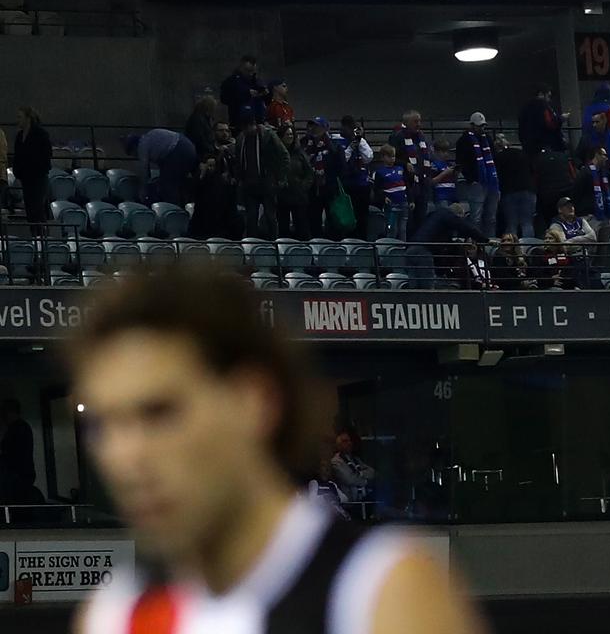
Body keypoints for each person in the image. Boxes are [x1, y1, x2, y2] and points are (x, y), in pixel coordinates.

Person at [71, 269, 480, 634]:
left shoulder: (379, 590)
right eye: (102, 425)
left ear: (253, 400)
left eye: (159, 412)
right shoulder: (116, 613)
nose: (125, 456)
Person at [407, 203, 488, 289]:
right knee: (427, 288)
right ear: (457, 216)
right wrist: (485, 240)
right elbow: (466, 227)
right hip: (423, 252)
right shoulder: (447, 216)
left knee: (414, 287)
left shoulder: (433, 217)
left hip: (410, 249)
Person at [235, 120, 286, 240]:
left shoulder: (267, 135)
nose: (247, 129)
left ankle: (274, 243)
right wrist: (239, 179)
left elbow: (284, 155)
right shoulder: (241, 139)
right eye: (244, 127)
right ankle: (252, 246)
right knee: (251, 218)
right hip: (249, 184)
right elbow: (238, 161)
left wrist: (281, 178)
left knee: (270, 216)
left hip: (267, 182)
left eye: (249, 125)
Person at [455, 112, 500, 239]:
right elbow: (461, 161)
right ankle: (477, 241)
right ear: (472, 125)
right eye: (479, 126)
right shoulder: (464, 141)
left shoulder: (488, 140)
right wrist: (471, 179)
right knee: (476, 216)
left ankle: (490, 241)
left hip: (491, 182)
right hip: (476, 182)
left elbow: (494, 159)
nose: (482, 129)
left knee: (491, 217)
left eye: (483, 126)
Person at [300, 117, 344, 238]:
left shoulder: (333, 144)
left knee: (333, 220)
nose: (313, 129)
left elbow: (341, 166)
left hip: (329, 187)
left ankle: (334, 246)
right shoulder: (305, 144)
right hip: (312, 189)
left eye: (317, 126)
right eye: (311, 126)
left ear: (325, 129)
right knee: (313, 220)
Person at [130, 129, 197, 206]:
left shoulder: (142, 145)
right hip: (188, 147)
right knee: (179, 185)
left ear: (134, 147)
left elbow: (144, 169)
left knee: (168, 187)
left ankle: (172, 212)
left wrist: (143, 190)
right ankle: (182, 209)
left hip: (177, 151)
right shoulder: (151, 138)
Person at [333, 116, 374, 241]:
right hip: (347, 185)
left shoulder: (360, 141)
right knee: (347, 217)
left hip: (361, 185)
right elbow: (342, 160)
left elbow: (368, 157)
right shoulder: (338, 141)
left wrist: (359, 140)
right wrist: (351, 147)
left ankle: (362, 242)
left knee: (362, 218)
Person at [13, 105, 51, 223]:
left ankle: (40, 236)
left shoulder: (41, 134)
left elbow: (46, 155)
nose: (17, 120)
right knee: (30, 209)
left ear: (27, 118)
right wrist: (17, 171)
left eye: (20, 117)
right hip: (26, 178)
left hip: (38, 177)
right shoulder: (19, 136)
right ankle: (34, 235)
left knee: (37, 209)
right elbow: (17, 155)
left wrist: (38, 169)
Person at [495, 133, 537, 239]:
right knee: (527, 223)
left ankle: (511, 251)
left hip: (509, 192)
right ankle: (528, 248)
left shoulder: (498, 157)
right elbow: (532, 170)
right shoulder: (522, 153)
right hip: (528, 190)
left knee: (511, 224)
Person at [572, 147, 610, 243]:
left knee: (604, 248)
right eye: (604, 155)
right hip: (590, 216)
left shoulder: (604, 173)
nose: (606, 158)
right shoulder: (585, 173)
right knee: (591, 248)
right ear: (597, 155)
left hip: (605, 215)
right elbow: (576, 193)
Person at [276, 126, 312, 240]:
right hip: (282, 195)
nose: (290, 137)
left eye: (291, 134)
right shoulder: (275, 153)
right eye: (287, 134)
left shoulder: (300, 153)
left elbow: (309, 173)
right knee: (283, 228)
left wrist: (304, 186)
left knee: (302, 227)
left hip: (298, 194)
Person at [0, 398, 37, 505]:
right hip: (22, 473)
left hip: (17, 475)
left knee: (17, 504)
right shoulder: (22, 427)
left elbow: (12, 453)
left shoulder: (17, 429)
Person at [534, 142, 576, 233]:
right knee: (566, 218)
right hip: (565, 191)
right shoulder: (563, 157)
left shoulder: (539, 159)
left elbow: (536, 178)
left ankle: (554, 237)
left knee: (550, 219)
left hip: (547, 194)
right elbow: (572, 174)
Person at [517, 84, 568, 156]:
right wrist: (561, 119)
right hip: (545, 144)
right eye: (548, 96)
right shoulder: (543, 106)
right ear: (541, 94)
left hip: (528, 145)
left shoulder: (524, 107)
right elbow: (550, 123)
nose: (549, 99)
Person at [373, 145, 410, 241]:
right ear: (383, 157)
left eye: (393, 156)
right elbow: (377, 189)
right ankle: (390, 248)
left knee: (403, 229)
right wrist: (383, 197)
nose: (392, 158)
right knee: (392, 228)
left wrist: (411, 200)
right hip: (391, 204)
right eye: (389, 156)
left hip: (403, 202)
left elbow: (406, 185)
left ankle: (403, 248)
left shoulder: (400, 169)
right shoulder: (380, 172)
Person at [219, 54, 267, 127]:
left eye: (253, 71)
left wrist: (264, 93)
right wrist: (246, 94)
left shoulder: (256, 81)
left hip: (257, 121)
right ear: (241, 67)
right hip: (239, 120)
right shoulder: (232, 81)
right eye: (248, 71)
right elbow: (225, 99)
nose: (250, 74)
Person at [331, 429, 377, 503]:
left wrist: (360, 473)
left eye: (349, 440)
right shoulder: (336, 461)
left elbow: (372, 472)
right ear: (338, 445)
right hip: (349, 502)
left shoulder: (356, 459)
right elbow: (349, 479)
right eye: (345, 441)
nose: (349, 443)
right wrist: (366, 481)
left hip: (364, 500)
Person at [184, 93, 220, 164]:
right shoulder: (198, 119)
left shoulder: (202, 118)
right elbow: (199, 138)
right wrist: (212, 149)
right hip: (200, 154)